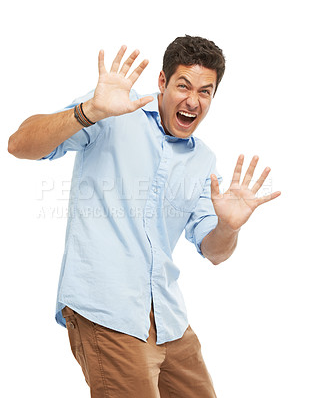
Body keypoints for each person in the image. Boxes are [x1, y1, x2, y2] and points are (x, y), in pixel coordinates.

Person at [8, 35, 280, 397]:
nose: (192, 100)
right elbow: (19, 145)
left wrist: (228, 227)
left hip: (168, 319)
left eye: (205, 91)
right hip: (107, 311)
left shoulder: (203, 161)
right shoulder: (113, 113)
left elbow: (214, 251)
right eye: (183, 86)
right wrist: (89, 111)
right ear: (163, 82)